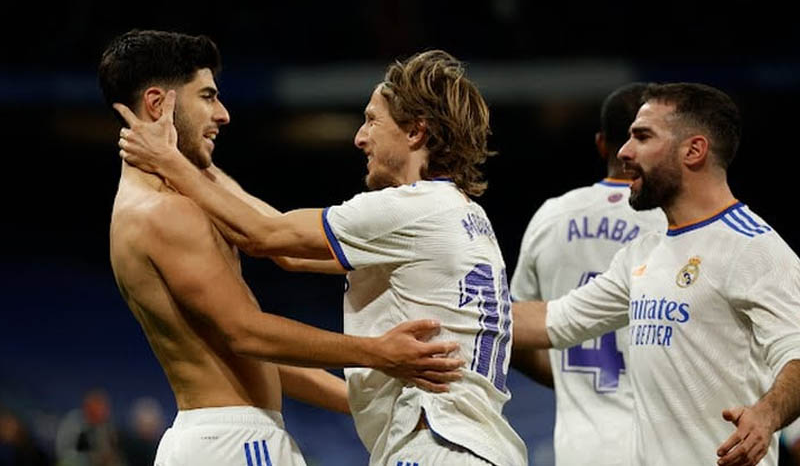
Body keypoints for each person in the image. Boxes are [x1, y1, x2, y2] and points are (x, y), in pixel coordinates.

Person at [115, 49, 527, 465]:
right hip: (480, 443)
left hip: (437, 443)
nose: (359, 137)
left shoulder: (411, 210)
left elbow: (264, 235)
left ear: (416, 132)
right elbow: (289, 255)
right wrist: (202, 168)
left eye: (372, 120)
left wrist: (171, 161)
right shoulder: (465, 218)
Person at [513, 82, 800, 466]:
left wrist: (767, 415)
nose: (624, 152)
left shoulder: (752, 248)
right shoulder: (642, 253)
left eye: (642, 137)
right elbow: (553, 320)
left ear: (693, 150)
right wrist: (447, 310)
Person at [510, 82, 666, 465]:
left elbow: (509, 333)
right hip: (662, 446)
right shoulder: (672, 224)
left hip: (579, 449)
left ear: (600, 144)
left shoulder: (550, 216)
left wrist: (571, 379)